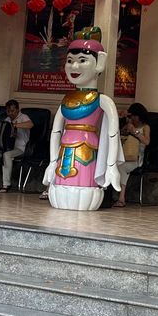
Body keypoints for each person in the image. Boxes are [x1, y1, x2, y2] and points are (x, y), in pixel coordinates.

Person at [41, 26, 123, 211]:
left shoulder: (102, 101)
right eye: (70, 61)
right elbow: (55, 132)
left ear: (100, 62)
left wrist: (111, 166)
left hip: (87, 152)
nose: (74, 67)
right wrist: (52, 162)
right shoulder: (66, 99)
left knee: (84, 193)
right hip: (64, 152)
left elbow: (113, 134)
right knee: (62, 191)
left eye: (82, 60)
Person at [0, 100, 32, 192]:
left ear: (17, 110)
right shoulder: (7, 120)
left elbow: (30, 125)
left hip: (20, 148)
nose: (10, 113)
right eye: (8, 111)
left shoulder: (23, 117)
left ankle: (6, 184)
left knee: (7, 155)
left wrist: (15, 125)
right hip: (6, 147)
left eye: (12, 111)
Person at [113, 102, 151, 208]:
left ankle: (121, 198)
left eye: (135, 116)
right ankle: (120, 197)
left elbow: (147, 141)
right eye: (132, 116)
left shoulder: (145, 127)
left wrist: (135, 132)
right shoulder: (129, 125)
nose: (133, 118)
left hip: (137, 158)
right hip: (125, 156)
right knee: (118, 165)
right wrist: (123, 119)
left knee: (121, 167)